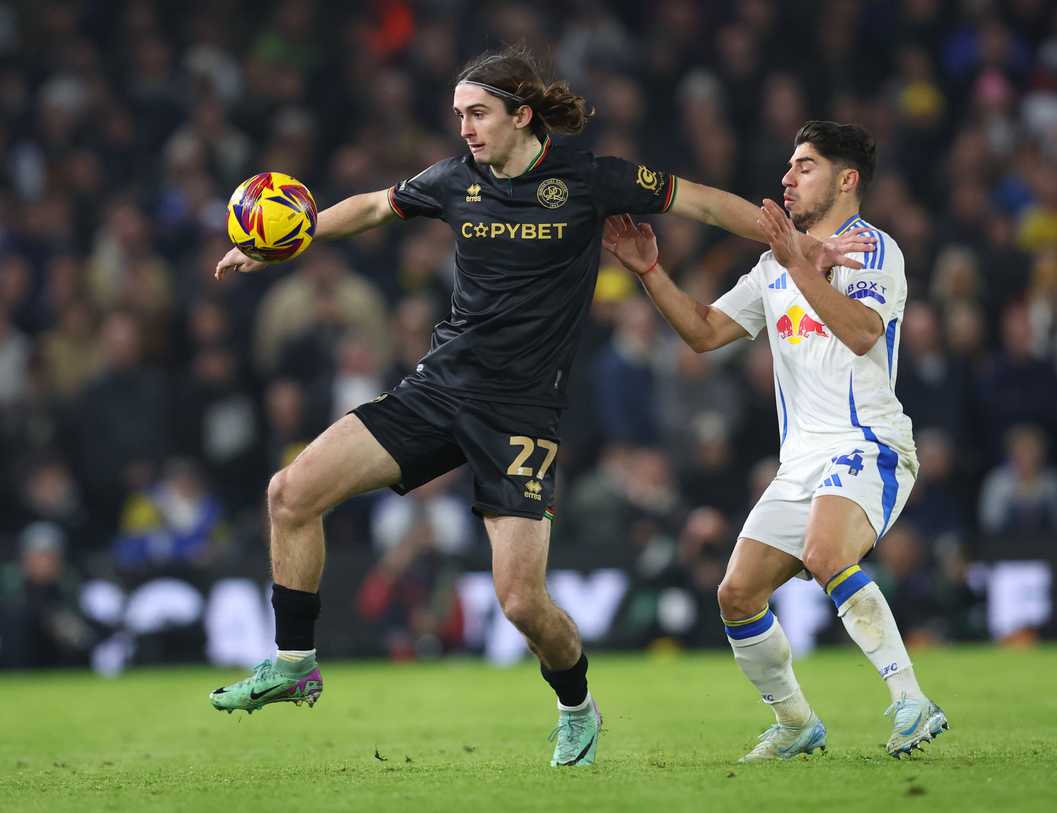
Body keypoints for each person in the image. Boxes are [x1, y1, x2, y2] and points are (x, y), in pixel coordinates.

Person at [208, 48, 870, 767]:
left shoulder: (590, 178)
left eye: (478, 113)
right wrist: (283, 245)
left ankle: (577, 705)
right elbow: (371, 207)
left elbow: (706, 202)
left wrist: (800, 246)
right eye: (459, 114)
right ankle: (294, 656)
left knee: (521, 602)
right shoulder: (455, 180)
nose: (464, 128)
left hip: (521, 414)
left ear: (521, 115)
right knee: (290, 492)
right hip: (439, 388)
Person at [601, 121, 948, 761]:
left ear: (847, 180)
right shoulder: (771, 268)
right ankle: (795, 723)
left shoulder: (873, 250)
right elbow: (704, 333)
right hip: (801, 462)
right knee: (736, 594)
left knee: (825, 552)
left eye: (805, 166)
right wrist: (651, 271)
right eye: (788, 166)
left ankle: (911, 702)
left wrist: (797, 263)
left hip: (867, 440)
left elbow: (863, 333)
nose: (787, 178)